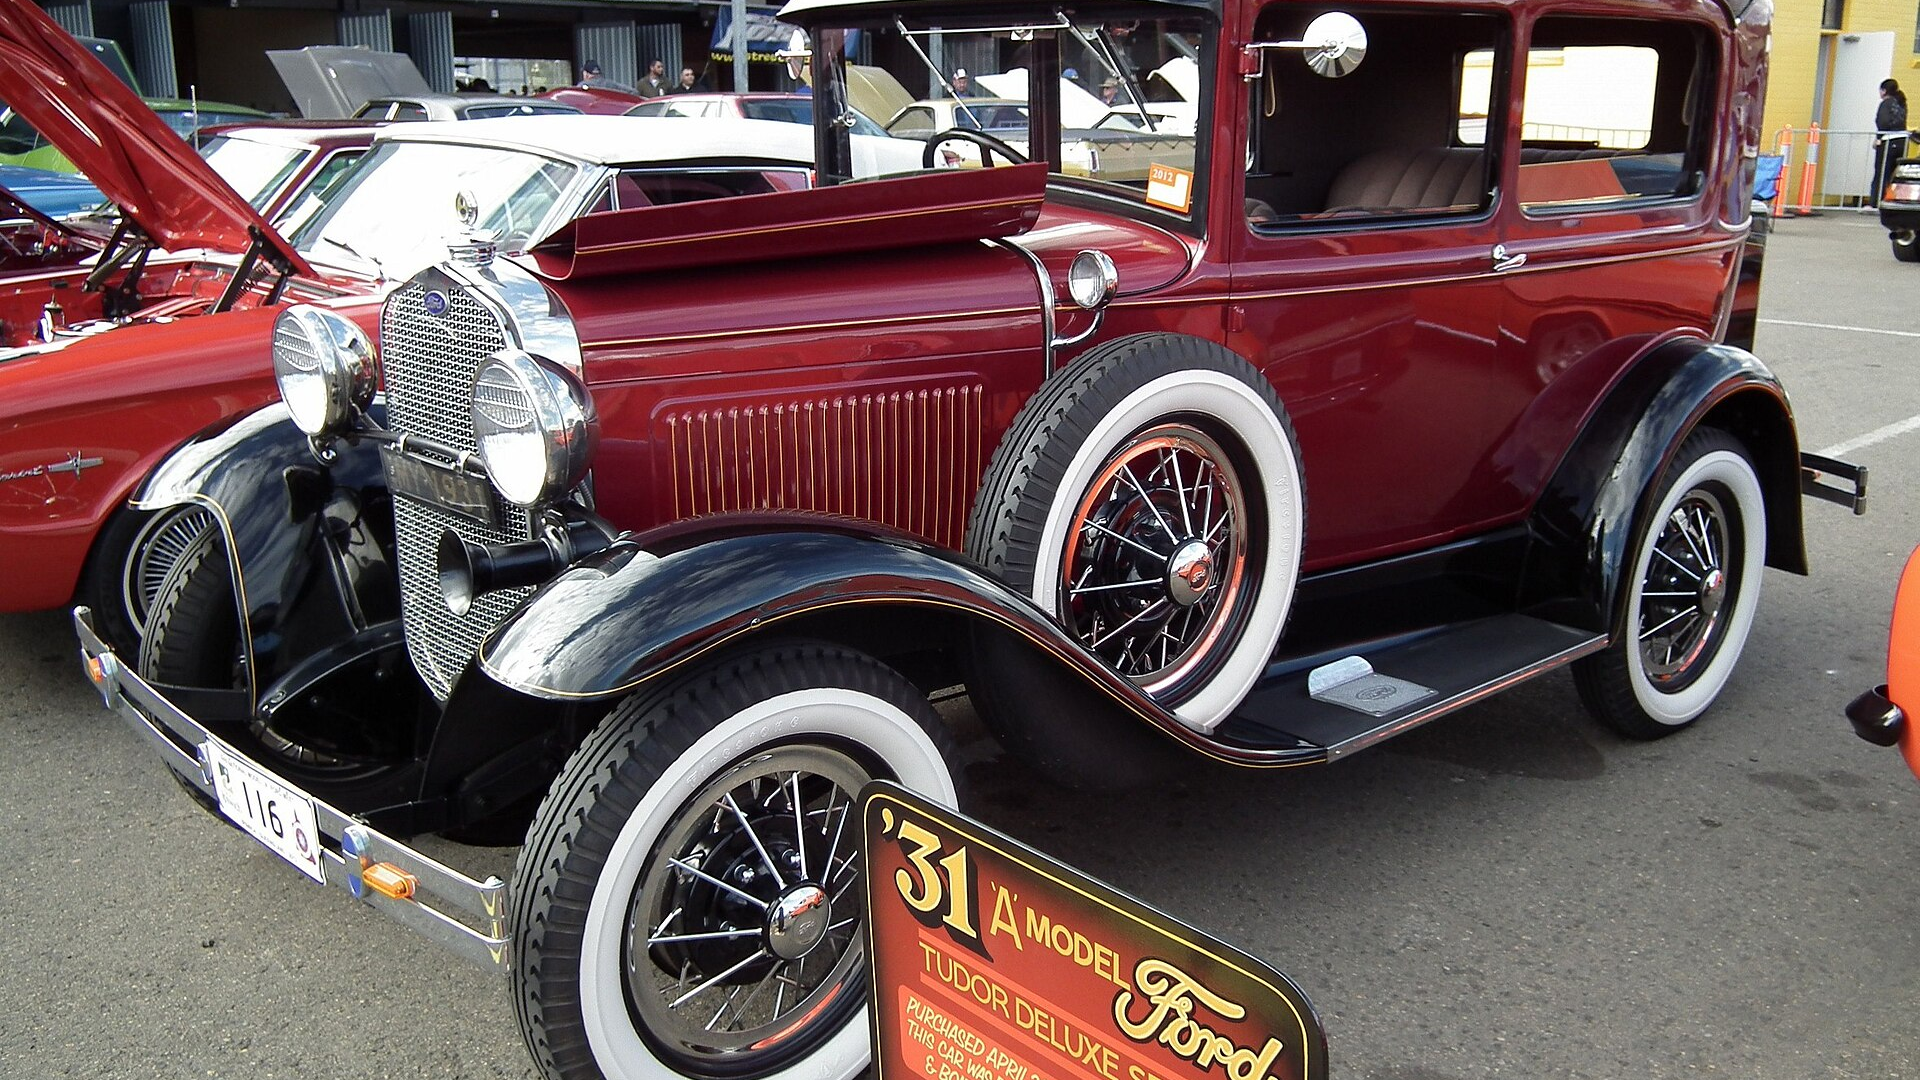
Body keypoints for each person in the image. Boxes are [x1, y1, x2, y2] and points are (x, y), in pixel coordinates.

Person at [1873, 78, 1909, 208]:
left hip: (1888, 141)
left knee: (1881, 173)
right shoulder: (1901, 102)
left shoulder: (1886, 103)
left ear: (1884, 91)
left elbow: (1882, 123)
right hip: (1902, 141)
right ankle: (1894, 202)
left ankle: (1876, 202)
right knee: (1895, 174)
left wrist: (1878, 137)